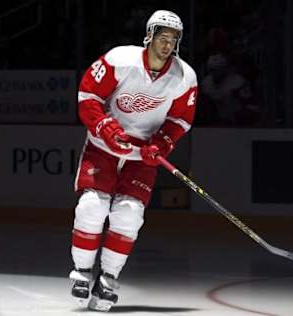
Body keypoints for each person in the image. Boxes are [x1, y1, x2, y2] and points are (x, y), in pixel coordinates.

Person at [69, 10, 197, 311]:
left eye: (173, 40)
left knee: (129, 214)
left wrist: (162, 143)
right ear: (149, 36)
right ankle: (82, 273)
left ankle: (108, 280)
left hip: (143, 156)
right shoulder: (119, 60)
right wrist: (106, 127)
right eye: (162, 37)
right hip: (103, 147)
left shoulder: (185, 77)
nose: (167, 45)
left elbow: (181, 120)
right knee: (92, 206)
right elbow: (88, 96)